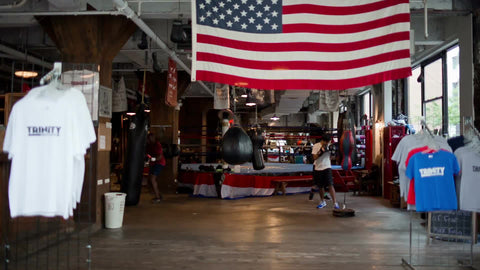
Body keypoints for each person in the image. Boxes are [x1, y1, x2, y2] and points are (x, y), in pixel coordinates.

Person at [311, 134, 339, 209]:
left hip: (327, 167)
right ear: (322, 141)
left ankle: (335, 203)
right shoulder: (316, 146)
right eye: (326, 142)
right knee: (321, 186)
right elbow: (314, 157)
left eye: (328, 142)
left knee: (330, 184)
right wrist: (321, 151)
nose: (327, 144)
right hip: (318, 168)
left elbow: (332, 158)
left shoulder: (330, 146)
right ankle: (323, 201)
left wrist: (333, 153)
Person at [146, 132, 166, 203]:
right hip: (153, 164)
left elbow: (160, 156)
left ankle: (158, 198)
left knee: (152, 179)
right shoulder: (149, 145)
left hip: (159, 163)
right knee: (150, 181)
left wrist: (154, 159)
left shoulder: (157, 145)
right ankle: (158, 195)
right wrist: (148, 158)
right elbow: (148, 154)